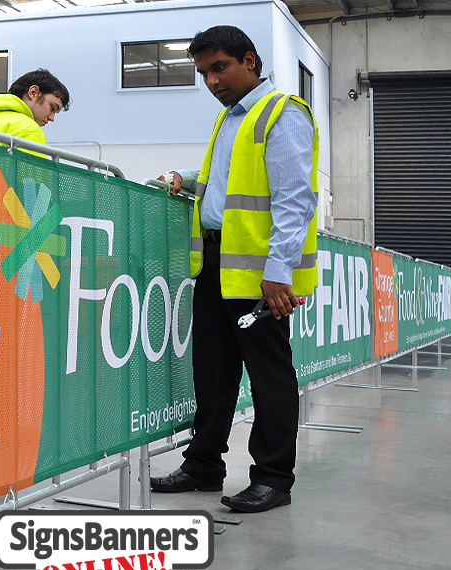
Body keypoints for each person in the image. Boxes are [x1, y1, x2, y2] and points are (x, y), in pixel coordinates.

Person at [150, 25, 319, 513]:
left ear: (250, 60)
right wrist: (186, 179)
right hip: (216, 263)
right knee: (214, 371)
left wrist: (279, 270)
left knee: (268, 375)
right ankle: (204, 464)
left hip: (258, 271)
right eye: (203, 72)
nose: (211, 81)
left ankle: (273, 478)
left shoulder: (281, 114)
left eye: (219, 67)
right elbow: (224, 186)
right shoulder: (232, 120)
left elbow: (294, 200)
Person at [0, 69, 70, 147]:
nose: (52, 118)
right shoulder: (28, 129)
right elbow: (33, 180)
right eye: (52, 107)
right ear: (33, 93)